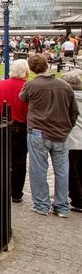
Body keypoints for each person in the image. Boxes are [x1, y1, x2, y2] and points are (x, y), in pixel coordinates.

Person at [19, 54, 78, 217]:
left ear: (31, 68)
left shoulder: (31, 85)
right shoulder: (64, 85)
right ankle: (62, 206)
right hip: (59, 132)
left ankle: (42, 205)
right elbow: (74, 112)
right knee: (61, 170)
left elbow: (22, 98)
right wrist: (67, 127)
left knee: (38, 168)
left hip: (39, 131)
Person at [0, 58, 30, 203]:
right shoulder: (26, 87)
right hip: (19, 126)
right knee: (18, 162)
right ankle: (15, 193)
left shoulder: (0, 84)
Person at [60, 70, 82, 213]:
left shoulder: (68, 98)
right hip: (76, 137)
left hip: (72, 137)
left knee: (72, 170)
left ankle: (77, 199)